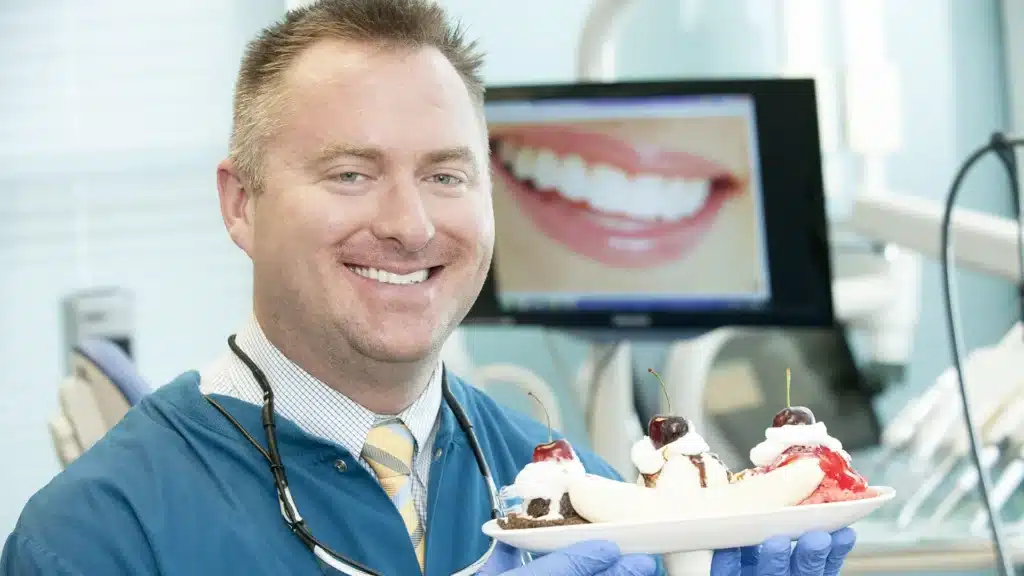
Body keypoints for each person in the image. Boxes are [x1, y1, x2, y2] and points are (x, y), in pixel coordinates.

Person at [0, 1, 857, 574]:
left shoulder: (572, 491)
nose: (410, 226)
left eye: (446, 175)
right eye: (349, 173)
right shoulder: (97, 536)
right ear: (241, 203)